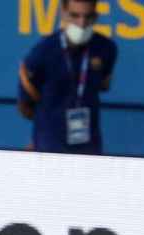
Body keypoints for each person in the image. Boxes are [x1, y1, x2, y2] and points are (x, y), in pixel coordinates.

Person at [18, 0, 118, 154]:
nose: (82, 23)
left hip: (89, 148)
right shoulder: (42, 52)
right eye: (75, 16)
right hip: (49, 148)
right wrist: (48, 125)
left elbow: (103, 85)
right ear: (63, 14)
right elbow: (25, 105)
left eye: (88, 17)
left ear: (96, 17)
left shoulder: (106, 49)